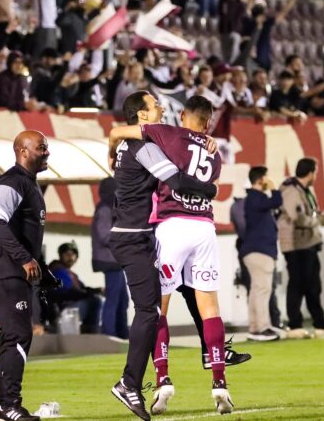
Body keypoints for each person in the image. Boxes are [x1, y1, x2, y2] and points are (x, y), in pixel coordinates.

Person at [108, 95, 233, 416]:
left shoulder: (166, 134)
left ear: (184, 117)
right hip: (205, 226)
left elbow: (119, 133)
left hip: (170, 225)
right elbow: (204, 176)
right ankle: (220, 383)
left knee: (154, 308)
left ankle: (163, 379)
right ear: (207, 123)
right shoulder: (213, 154)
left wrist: (112, 153)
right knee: (210, 309)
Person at [0, 130, 49, 421]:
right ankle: (9, 405)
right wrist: (23, 258)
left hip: (11, 271)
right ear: (23, 151)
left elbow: (24, 232)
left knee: (14, 335)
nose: (47, 152)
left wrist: (40, 267)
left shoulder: (29, 184)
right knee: (19, 334)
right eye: (41, 148)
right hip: (3, 271)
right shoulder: (12, 182)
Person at [278, 158, 324, 339]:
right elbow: (298, 218)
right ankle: (294, 325)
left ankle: (320, 323)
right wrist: (319, 220)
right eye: (316, 172)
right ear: (310, 172)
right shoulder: (291, 190)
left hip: (308, 243)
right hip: (296, 245)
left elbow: (307, 214)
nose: (316, 176)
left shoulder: (302, 190)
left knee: (313, 285)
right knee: (297, 285)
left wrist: (321, 216)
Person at [242, 166, 283, 341]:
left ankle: (255, 327)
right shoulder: (255, 197)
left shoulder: (253, 199)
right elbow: (277, 201)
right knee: (262, 290)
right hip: (260, 251)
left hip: (255, 251)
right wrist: (273, 187)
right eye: (266, 178)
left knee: (257, 290)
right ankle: (262, 328)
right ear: (261, 180)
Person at [91, 177, 129, 339]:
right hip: (110, 261)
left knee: (122, 300)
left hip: (115, 261)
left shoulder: (108, 207)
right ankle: (110, 334)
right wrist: (125, 235)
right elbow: (105, 235)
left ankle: (121, 333)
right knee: (114, 299)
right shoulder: (105, 209)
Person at [49, 242, 103, 333]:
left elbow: (82, 288)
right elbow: (68, 291)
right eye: (67, 254)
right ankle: (91, 332)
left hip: (69, 308)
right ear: (61, 256)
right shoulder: (57, 270)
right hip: (62, 311)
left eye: (72, 254)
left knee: (95, 298)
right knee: (95, 300)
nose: (70, 257)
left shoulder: (71, 274)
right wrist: (88, 294)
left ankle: (90, 331)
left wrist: (97, 290)